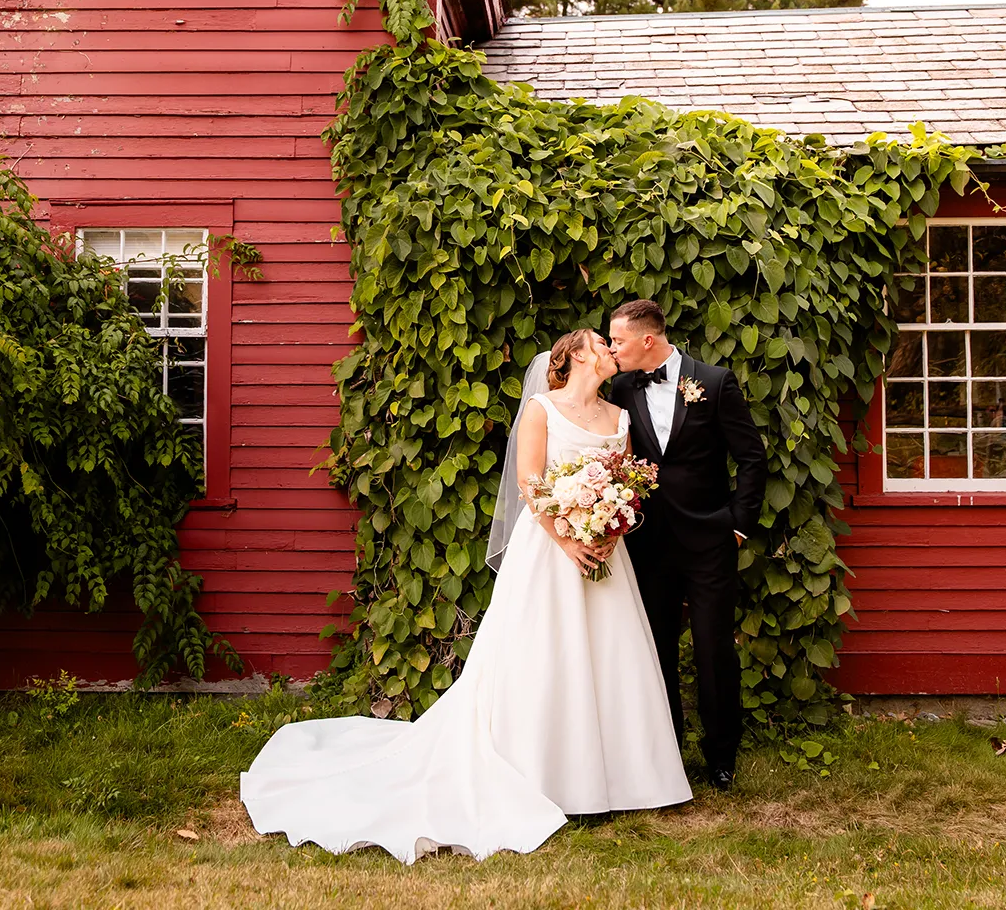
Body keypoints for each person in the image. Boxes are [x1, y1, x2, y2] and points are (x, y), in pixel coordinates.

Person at [239, 329, 691, 863]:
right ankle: (544, 776)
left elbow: (627, 483)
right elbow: (530, 484)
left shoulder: (620, 417)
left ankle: (625, 779)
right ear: (573, 357)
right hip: (549, 552)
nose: (611, 349)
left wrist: (611, 526)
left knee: (612, 658)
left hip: (604, 555)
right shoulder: (542, 410)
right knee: (545, 658)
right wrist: (568, 538)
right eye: (600, 341)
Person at [607, 297, 768, 792]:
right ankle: (666, 753)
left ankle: (721, 758)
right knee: (654, 650)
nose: (613, 349)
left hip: (709, 541)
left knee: (713, 648)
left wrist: (737, 525)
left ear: (647, 340)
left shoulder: (715, 383)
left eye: (618, 340)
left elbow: (751, 458)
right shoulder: (618, 388)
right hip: (648, 543)